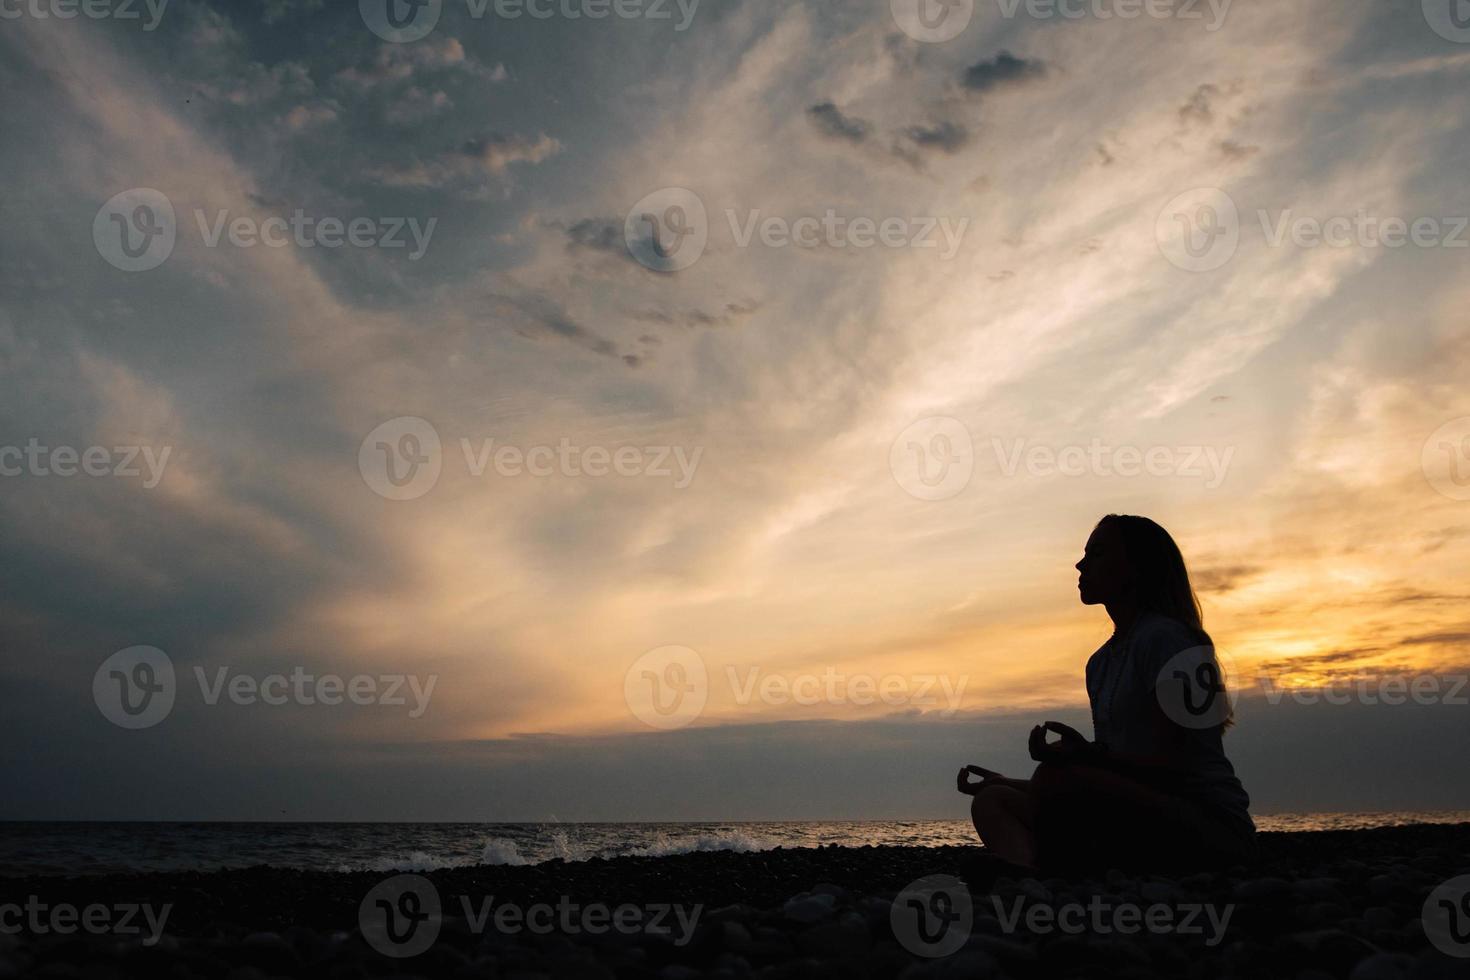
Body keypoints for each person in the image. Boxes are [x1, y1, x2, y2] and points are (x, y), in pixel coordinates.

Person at [956, 514, 1256, 874]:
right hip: (1140, 813)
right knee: (993, 799)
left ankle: (1043, 869)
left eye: (1096, 553)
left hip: (1205, 821)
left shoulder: (1167, 641)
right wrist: (1010, 780)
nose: (1080, 564)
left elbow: (1176, 768)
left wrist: (1085, 757)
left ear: (1135, 567)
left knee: (1055, 778)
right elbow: (1116, 776)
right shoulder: (1099, 663)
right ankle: (1032, 871)